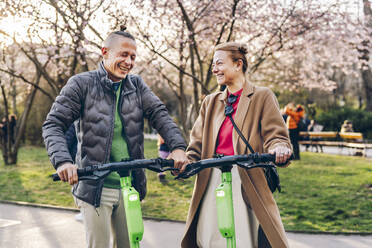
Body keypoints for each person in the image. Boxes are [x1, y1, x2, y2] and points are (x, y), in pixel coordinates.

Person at [42, 26, 188, 248]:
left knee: (129, 244)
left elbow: (160, 115)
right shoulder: (81, 84)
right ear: (105, 52)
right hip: (94, 185)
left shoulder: (136, 85)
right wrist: (63, 161)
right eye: (123, 55)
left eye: (133, 57)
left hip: (129, 185)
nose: (129, 62)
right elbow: (53, 124)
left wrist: (177, 147)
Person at [181, 42, 292, 248]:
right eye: (213, 65)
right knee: (210, 237)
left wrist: (279, 147)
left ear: (238, 64)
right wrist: (186, 160)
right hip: (211, 178)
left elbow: (276, 135)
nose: (214, 69)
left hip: (245, 178)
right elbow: (196, 144)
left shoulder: (262, 96)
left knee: (242, 238)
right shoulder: (211, 102)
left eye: (219, 63)